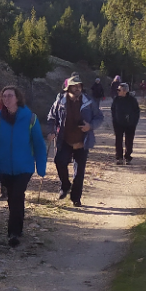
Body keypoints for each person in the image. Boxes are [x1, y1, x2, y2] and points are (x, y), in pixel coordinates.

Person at [0, 86, 47, 247]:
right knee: (13, 198)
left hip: (24, 167)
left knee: (17, 195)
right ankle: (18, 228)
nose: (6, 99)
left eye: (10, 96)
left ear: (17, 98)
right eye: (4, 96)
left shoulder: (30, 118)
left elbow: (39, 144)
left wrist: (41, 166)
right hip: (5, 167)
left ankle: (13, 233)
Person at [46, 75, 104, 206]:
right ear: (68, 88)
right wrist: (51, 131)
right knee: (59, 161)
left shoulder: (88, 102)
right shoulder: (60, 102)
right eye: (74, 86)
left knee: (79, 172)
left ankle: (76, 198)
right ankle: (65, 185)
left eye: (79, 86)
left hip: (82, 141)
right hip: (65, 139)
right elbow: (51, 117)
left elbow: (99, 117)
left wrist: (90, 126)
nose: (78, 88)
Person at [111, 82, 141, 165]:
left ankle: (128, 157)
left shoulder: (132, 100)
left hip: (130, 124)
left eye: (119, 90)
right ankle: (119, 158)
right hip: (118, 124)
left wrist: (134, 122)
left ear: (125, 91)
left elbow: (137, 112)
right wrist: (114, 120)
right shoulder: (116, 99)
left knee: (129, 141)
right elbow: (113, 110)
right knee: (118, 140)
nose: (117, 91)